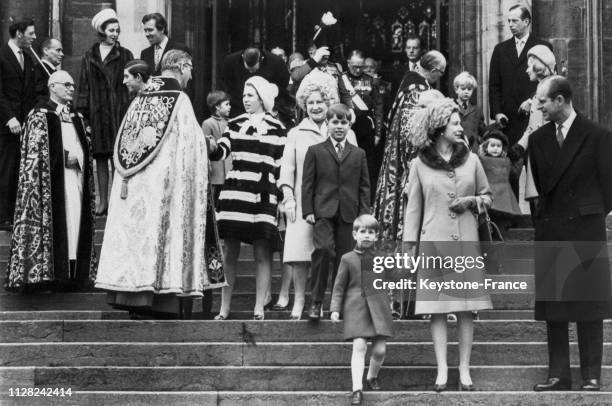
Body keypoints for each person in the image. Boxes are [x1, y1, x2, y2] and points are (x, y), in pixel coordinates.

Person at [95, 50, 225, 319]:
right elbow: (192, 147)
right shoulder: (179, 100)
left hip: (137, 189)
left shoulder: (141, 98)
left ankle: (132, 298)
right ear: (181, 66)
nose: (191, 75)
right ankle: (160, 301)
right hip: (165, 190)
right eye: (190, 69)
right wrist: (215, 147)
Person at [403, 98, 493, 391]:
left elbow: (488, 196)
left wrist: (474, 202)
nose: (460, 127)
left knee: (467, 309)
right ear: (440, 128)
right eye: (454, 123)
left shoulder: (473, 160)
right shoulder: (419, 164)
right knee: (438, 309)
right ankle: (442, 369)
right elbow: (413, 208)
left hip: (466, 242)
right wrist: (409, 246)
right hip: (434, 244)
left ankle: (464, 369)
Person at [529, 76, 612, 392]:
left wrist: (588, 213)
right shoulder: (538, 141)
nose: (539, 106)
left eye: (543, 100)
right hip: (552, 229)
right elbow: (543, 185)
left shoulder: (598, 136)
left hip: (585, 229)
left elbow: (609, 188)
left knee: (589, 307)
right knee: (556, 309)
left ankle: (592, 374)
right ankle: (558, 374)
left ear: (560, 100)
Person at [5, 70, 96, 292]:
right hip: (50, 186)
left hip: (74, 179)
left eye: (73, 85)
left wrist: (80, 157)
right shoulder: (39, 116)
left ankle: (73, 275)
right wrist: (64, 157)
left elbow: (87, 147)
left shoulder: (77, 117)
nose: (71, 89)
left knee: (75, 223)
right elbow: (34, 153)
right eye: (67, 84)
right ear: (52, 86)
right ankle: (49, 275)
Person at [276, 82, 357, 319]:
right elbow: (287, 168)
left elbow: (354, 168)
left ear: (328, 102)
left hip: (338, 203)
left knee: (335, 253)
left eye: (319, 102)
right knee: (300, 253)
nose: (315, 107)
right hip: (304, 201)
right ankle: (300, 299)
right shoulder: (295, 133)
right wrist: (288, 197)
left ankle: (333, 300)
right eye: (310, 103)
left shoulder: (345, 131)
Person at [210, 76, 286, 321]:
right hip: (236, 195)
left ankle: (259, 307)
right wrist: (210, 147)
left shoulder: (278, 128)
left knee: (262, 253)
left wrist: (283, 199)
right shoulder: (234, 123)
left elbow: (281, 166)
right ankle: (224, 309)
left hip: (264, 196)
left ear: (262, 99)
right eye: (243, 95)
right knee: (229, 252)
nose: (245, 99)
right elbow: (221, 151)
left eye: (250, 95)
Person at [302, 103, 370, 320]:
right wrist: (308, 209)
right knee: (322, 250)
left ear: (349, 125)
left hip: (349, 213)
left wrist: (363, 215)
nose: (339, 127)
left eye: (343, 122)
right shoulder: (316, 151)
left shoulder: (358, 154)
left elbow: (364, 186)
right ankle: (316, 302)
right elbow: (308, 183)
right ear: (327, 124)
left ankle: (340, 305)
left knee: (345, 258)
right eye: (335, 122)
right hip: (323, 211)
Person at [374, 50, 447, 243]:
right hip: (408, 161)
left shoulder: (413, 83)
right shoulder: (416, 90)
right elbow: (412, 132)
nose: (441, 77)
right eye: (441, 72)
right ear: (433, 70)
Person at [489, 4, 552, 197]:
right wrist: (497, 112)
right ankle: (512, 220)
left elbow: (549, 80)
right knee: (510, 174)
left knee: (539, 173)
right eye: (508, 21)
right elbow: (494, 86)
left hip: (537, 120)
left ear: (526, 22)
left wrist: (532, 100)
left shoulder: (542, 47)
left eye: (514, 21)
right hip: (509, 122)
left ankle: (539, 220)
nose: (510, 24)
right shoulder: (500, 50)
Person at [74, 8, 133, 216]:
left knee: (118, 159)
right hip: (97, 113)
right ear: (102, 31)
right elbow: (83, 86)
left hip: (119, 112)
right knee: (100, 158)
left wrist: (130, 111)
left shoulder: (125, 55)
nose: (115, 33)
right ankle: (103, 202)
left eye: (117, 30)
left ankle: (118, 202)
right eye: (111, 30)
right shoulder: (89, 56)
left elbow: (131, 85)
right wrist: (82, 114)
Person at [330, 214, 393, 405]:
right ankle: (356, 389)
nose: (367, 235)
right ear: (355, 234)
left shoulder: (383, 258)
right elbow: (339, 286)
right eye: (363, 232)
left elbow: (393, 279)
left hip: (379, 308)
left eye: (371, 232)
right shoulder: (347, 259)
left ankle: (371, 376)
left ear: (376, 236)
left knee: (380, 350)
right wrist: (335, 308)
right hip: (356, 307)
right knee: (359, 345)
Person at [0, 19, 37, 230]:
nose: (34, 37)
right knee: (6, 168)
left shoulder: (28, 58)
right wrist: (9, 118)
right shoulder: (2, 55)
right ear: (19, 34)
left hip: (23, 124)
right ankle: (3, 216)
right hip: (6, 126)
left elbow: (28, 93)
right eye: (31, 33)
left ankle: (14, 213)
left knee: (17, 169)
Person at [514, 44, 557, 214]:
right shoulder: (541, 89)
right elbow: (532, 127)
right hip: (538, 152)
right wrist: (520, 146)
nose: (526, 70)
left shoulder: (553, 88)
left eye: (529, 65)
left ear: (540, 66)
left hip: (548, 154)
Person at [343, 50, 384, 200]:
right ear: (348, 64)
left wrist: (378, 133)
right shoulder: (342, 80)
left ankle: (368, 200)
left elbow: (378, 107)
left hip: (367, 129)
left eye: (360, 66)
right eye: (354, 67)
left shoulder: (371, 80)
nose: (358, 70)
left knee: (367, 167)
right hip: (348, 127)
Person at [220, 47, 290, 123]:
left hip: (267, 109)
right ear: (243, 58)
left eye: (254, 70)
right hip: (238, 107)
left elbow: (283, 86)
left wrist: (269, 102)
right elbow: (225, 83)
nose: (250, 72)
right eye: (248, 69)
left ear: (261, 59)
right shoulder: (230, 61)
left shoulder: (277, 62)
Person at [477, 129, 522, 238]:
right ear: (485, 147)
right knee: (488, 226)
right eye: (492, 145)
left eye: (499, 146)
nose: (496, 148)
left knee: (502, 227)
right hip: (490, 196)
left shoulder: (506, 161)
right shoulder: (481, 160)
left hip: (504, 197)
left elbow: (513, 175)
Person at [201, 90, 232, 205]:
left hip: (229, 169)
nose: (230, 107)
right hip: (216, 172)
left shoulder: (230, 123)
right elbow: (205, 149)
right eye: (227, 104)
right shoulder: (208, 123)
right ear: (217, 107)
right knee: (215, 202)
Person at [453, 71, 485, 151]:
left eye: (469, 89)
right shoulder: (450, 106)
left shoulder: (477, 110)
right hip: (454, 147)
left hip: (472, 149)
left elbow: (482, 130)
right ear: (456, 89)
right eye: (463, 89)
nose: (466, 92)